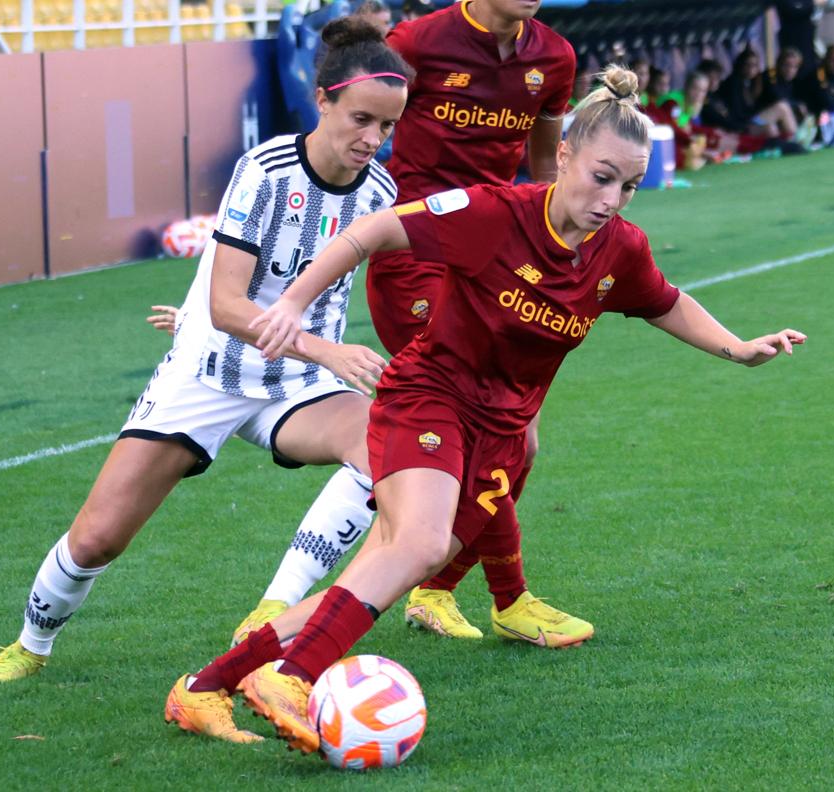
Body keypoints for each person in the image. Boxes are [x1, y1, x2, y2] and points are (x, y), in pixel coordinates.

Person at [165, 65, 806, 752]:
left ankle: (204, 688)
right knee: (417, 543)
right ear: (562, 154)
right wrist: (291, 304)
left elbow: (665, 301)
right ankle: (291, 676)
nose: (612, 198)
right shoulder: (492, 214)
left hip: (498, 434)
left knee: (389, 563)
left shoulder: (619, 249)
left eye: (629, 185)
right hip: (429, 397)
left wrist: (737, 349)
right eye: (601, 176)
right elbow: (372, 232)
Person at [0, 18, 412, 690]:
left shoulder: (379, 194)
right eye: (361, 119)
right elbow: (227, 306)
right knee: (97, 539)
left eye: (387, 127)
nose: (373, 141)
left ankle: (273, 610)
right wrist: (330, 348)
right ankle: (32, 644)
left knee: (387, 452)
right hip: (209, 371)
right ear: (321, 99)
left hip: (296, 383)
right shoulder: (264, 172)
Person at [237, 0, 590, 650]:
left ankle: (437, 586)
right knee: (503, 438)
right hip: (416, 260)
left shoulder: (555, 58)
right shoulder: (420, 41)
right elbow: (358, 112)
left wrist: (555, 243)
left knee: (521, 446)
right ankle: (497, 596)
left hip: (496, 260)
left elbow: (544, 170)